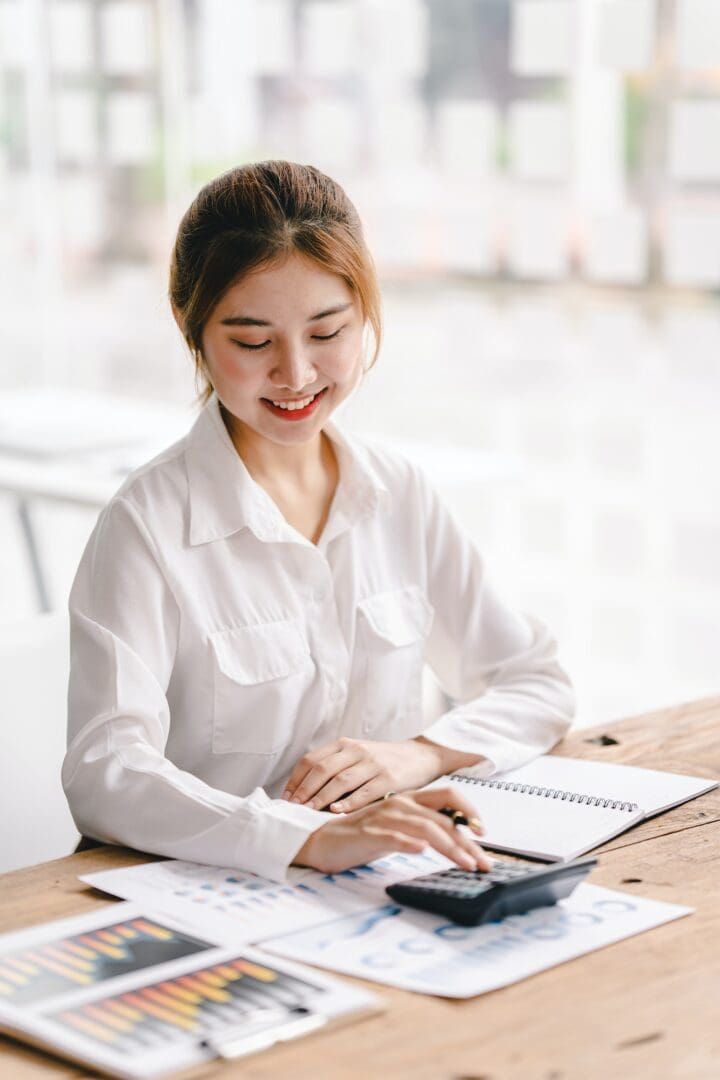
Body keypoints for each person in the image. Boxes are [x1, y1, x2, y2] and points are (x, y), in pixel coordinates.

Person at [63, 161, 574, 882]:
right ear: (193, 330)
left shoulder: (397, 493)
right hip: (210, 892)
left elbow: (536, 682)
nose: (296, 374)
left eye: (327, 331)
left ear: (364, 313)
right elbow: (104, 771)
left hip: (381, 886)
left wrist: (416, 755)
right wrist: (298, 837)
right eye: (251, 342)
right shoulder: (146, 525)